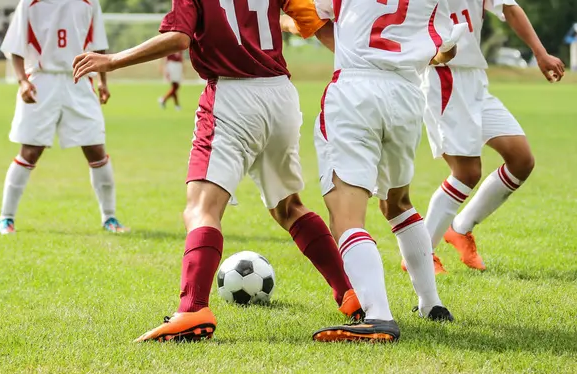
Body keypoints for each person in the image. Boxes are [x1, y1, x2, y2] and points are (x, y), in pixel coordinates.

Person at [73, 0, 361, 343]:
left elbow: (179, 38)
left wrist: (112, 60)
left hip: (231, 94)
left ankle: (193, 308)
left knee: (201, 209)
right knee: (288, 207)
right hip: (280, 94)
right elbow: (305, 19)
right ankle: (350, 293)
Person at [284, 0, 465, 342]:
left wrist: (281, 23)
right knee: (397, 203)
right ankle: (431, 303)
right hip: (406, 95)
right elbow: (445, 51)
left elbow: (312, 18)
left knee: (346, 216)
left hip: (355, 90)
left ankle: (378, 316)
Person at [419, 0, 565, 272]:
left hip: (475, 80)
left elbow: (510, 7)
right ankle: (420, 254)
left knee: (521, 160)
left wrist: (541, 54)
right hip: (442, 78)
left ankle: (460, 229)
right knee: (466, 172)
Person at [0, 0, 128, 234]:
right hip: (41, 79)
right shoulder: (30, 2)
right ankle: (6, 218)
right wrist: (22, 82)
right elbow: (15, 47)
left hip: (78, 80)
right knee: (30, 151)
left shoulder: (89, 3)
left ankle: (110, 218)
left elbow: (98, 47)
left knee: (96, 149)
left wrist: (103, 82)